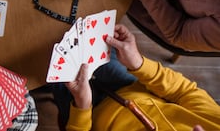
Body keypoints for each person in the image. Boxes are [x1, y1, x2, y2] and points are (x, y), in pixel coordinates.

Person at [60, 24, 220, 130]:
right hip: (128, 87)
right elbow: (184, 91)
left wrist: (82, 106)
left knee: (47, 63)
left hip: (88, 118)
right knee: (71, 31)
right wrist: (138, 63)